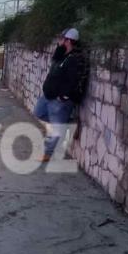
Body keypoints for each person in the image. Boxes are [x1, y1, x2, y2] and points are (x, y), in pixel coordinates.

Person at [33, 28, 86, 162]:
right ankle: (69, 123)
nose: (59, 41)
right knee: (38, 112)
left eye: (62, 39)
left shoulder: (74, 59)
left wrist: (64, 96)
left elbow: (74, 80)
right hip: (48, 95)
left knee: (57, 130)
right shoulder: (61, 54)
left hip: (60, 99)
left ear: (68, 41)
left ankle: (47, 154)